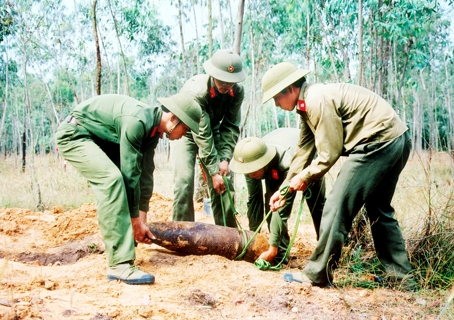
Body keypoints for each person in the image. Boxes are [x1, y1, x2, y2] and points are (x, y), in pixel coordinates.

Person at [261, 62, 416, 290]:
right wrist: (285, 190)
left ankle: (317, 274)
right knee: (379, 209)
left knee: (335, 206)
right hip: (397, 139)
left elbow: (328, 154)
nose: (275, 103)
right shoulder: (307, 106)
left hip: (376, 143)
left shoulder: (316, 101)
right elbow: (303, 152)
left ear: (290, 89)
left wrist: (305, 177)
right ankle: (402, 278)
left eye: (276, 97)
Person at [55, 93, 202, 285]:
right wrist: (135, 222)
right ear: (173, 118)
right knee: (112, 180)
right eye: (186, 128)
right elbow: (130, 174)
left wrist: (141, 220)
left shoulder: (153, 129)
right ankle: (119, 264)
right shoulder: (138, 122)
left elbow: (145, 174)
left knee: (124, 182)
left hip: (100, 138)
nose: (185, 134)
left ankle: (125, 245)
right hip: (76, 134)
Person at [171, 49, 246, 227]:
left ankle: (228, 234)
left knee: (224, 179)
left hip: (213, 129)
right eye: (221, 79)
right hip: (187, 130)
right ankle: (183, 233)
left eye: (230, 81)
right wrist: (213, 171)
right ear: (212, 74)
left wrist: (225, 158)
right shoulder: (198, 92)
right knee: (184, 183)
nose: (226, 85)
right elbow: (201, 134)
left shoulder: (238, 92)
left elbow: (231, 126)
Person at [229, 128, 326, 264]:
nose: (249, 175)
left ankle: (326, 249)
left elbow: (282, 207)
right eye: (247, 171)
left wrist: (272, 247)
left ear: (263, 162)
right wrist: (253, 239)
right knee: (270, 201)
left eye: (252, 170)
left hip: (305, 162)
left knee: (317, 205)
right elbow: (254, 201)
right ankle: (281, 252)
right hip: (271, 166)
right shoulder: (249, 162)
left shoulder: (286, 162)